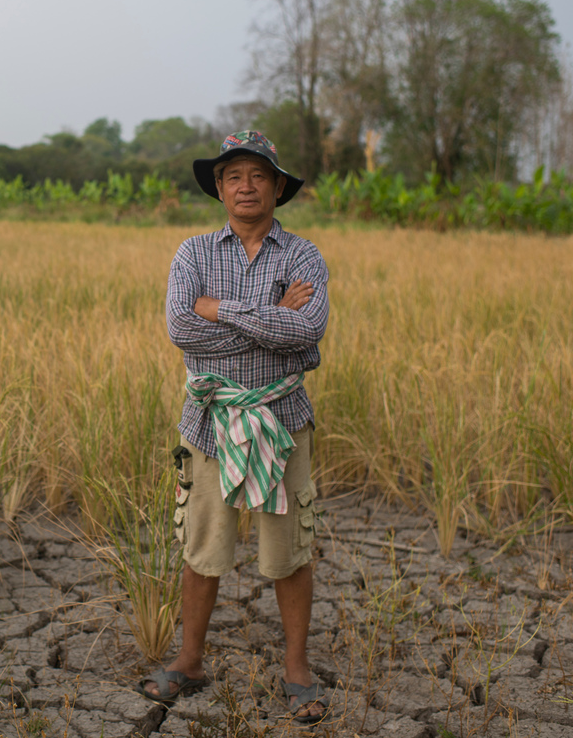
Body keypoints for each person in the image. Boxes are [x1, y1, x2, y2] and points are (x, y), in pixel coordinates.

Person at [141, 130, 330, 724]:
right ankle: (189, 660)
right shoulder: (192, 253)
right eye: (233, 176)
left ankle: (296, 668)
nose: (245, 185)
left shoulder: (302, 255)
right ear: (220, 189)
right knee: (205, 544)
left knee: (288, 549)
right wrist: (274, 319)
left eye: (257, 175)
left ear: (277, 187)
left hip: (281, 420)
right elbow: (180, 328)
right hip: (212, 419)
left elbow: (309, 332)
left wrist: (218, 308)